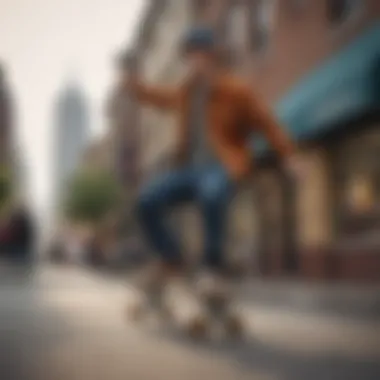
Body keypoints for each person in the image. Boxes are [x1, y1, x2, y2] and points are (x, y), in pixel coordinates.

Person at [124, 27, 302, 295]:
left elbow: (267, 123)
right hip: (188, 171)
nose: (194, 62)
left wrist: (289, 156)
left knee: (211, 194)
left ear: (212, 57)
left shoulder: (235, 91)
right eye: (190, 57)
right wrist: (132, 83)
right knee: (146, 200)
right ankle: (171, 258)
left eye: (199, 56)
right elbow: (159, 97)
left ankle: (213, 267)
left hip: (222, 167)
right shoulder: (186, 93)